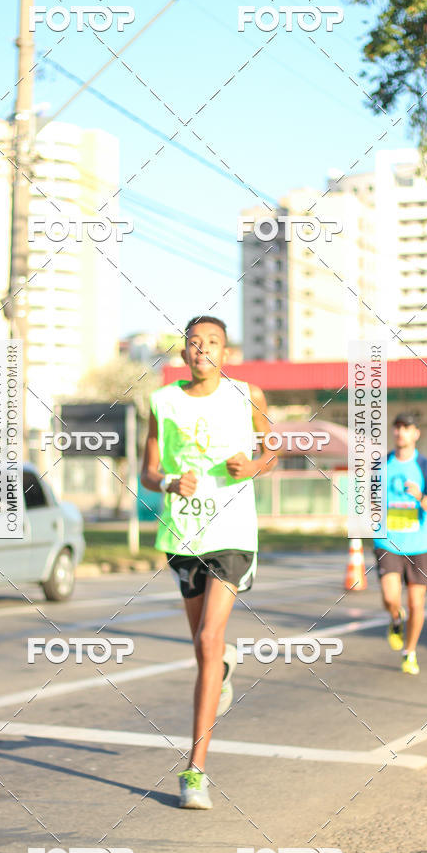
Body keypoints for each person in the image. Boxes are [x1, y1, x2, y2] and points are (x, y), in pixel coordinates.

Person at [141, 315, 275, 809]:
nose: (203, 350)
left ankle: (195, 771)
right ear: (183, 355)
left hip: (233, 533)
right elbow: (149, 470)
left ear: (226, 352)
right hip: (183, 533)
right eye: (195, 343)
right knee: (203, 651)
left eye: (213, 343)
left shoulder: (248, 395)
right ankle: (220, 667)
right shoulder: (163, 401)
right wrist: (170, 482)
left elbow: (273, 445)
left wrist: (255, 464)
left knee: (207, 638)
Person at [374, 412, 427, 675]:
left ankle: (409, 652)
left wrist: (420, 496)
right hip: (388, 542)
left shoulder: (426, 467)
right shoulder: (381, 466)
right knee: (391, 597)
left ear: (416, 433)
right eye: (397, 427)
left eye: (406, 428)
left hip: (420, 545)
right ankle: (395, 618)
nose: (400, 432)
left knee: (416, 603)